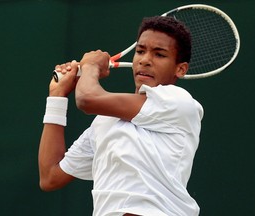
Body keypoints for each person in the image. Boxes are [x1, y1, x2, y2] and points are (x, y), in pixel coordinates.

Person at [39, 16, 204, 216]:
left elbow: (87, 99)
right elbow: (50, 176)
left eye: (159, 55)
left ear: (181, 69)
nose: (145, 60)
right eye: (140, 51)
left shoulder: (179, 102)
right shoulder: (103, 122)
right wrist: (56, 96)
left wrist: (91, 66)